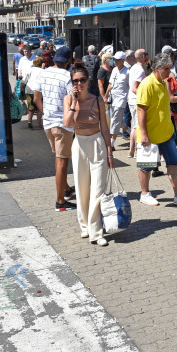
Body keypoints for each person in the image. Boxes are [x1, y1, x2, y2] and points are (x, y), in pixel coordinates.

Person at [63, 63, 114, 247]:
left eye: (82, 80)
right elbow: (67, 124)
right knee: (82, 187)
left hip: (97, 143)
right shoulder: (69, 100)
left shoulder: (97, 100)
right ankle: (84, 225)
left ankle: (96, 231)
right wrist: (75, 103)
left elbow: (105, 128)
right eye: (75, 81)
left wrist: (110, 151)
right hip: (79, 145)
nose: (79, 84)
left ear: (88, 80)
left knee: (98, 189)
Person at [136, 52, 177, 206]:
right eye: (167, 69)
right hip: (150, 134)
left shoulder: (164, 83)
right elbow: (141, 110)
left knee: (174, 162)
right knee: (146, 166)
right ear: (157, 68)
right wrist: (144, 134)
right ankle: (145, 194)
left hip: (167, 133)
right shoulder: (147, 84)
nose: (170, 72)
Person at [33, 47, 77, 211]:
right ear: (67, 61)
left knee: (59, 158)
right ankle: (60, 201)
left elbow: (37, 98)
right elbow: (71, 100)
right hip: (62, 124)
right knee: (61, 163)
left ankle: (66, 189)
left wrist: (47, 112)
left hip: (48, 124)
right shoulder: (67, 76)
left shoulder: (43, 73)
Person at [127, 49, 149, 158]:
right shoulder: (140, 70)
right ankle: (135, 151)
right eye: (147, 54)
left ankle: (131, 150)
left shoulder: (134, 67)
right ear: (143, 56)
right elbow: (134, 88)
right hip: (136, 100)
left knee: (134, 124)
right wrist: (145, 95)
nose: (148, 56)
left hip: (131, 100)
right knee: (137, 125)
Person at [105, 51, 129, 149]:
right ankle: (132, 134)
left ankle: (111, 144)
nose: (115, 61)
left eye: (118, 59)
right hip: (113, 98)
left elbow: (130, 86)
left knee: (115, 121)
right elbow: (110, 84)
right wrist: (106, 95)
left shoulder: (128, 72)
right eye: (115, 59)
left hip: (121, 99)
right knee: (118, 120)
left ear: (123, 60)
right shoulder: (114, 70)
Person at [23, 56, 44, 129]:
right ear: (41, 63)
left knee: (31, 108)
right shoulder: (43, 71)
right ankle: (38, 124)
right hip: (38, 91)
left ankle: (29, 122)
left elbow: (24, 80)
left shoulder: (30, 70)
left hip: (29, 89)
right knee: (39, 108)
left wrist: (21, 89)